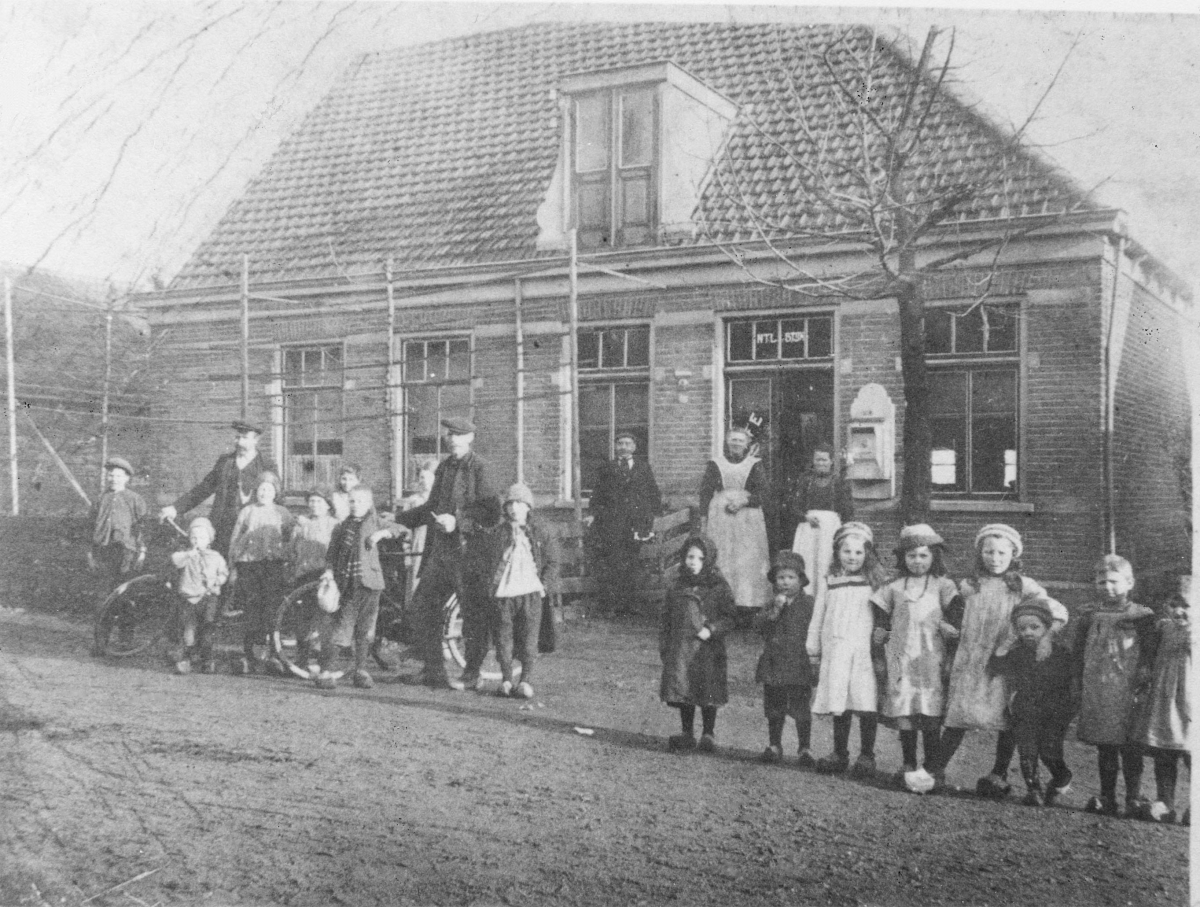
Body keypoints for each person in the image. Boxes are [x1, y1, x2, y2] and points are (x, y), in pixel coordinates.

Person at [933, 524, 1068, 797]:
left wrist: (1045, 637)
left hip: (1006, 659)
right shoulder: (970, 585)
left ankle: (999, 773)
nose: (994, 558)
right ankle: (935, 770)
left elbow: (1056, 611)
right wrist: (950, 629)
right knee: (960, 712)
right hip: (972, 659)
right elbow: (960, 616)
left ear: (1013, 555)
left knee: (1007, 715)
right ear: (980, 553)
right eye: (989, 552)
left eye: (1001, 553)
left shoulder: (1022, 585)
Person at [395, 418, 501, 690]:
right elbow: (431, 508)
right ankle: (433, 671)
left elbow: (491, 511)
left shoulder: (481, 468)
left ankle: (472, 673)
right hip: (441, 553)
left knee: (473, 615)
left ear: (470, 438)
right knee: (423, 608)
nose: (452, 439)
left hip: (470, 554)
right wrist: (397, 520)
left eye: (459, 435)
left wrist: (458, 520)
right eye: (449, 435)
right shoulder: (444, 467)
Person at [870, 524, 960, 792]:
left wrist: (950, 626)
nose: (917, 561)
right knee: (906, 710)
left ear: (933, 556)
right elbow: (882, 618)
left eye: (923, 555)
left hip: (931, 653)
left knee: (929, 710)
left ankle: (932, 768)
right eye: (911, 556)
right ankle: (908, 764)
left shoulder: (943, 585)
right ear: (903, 558)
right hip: (901, 653)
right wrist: (880, 634)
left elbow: (956, 615)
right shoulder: (894, 586)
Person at [1075, 555, 1156, 817]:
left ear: (1129, 582)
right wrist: (1077, 678)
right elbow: (1079, 650)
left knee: (1130, 744)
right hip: (1099, 686)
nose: (1107, 587)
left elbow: (1150, 650)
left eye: (1114, 581)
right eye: (1102, 582)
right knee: (1106, 744)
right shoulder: (1090, 615)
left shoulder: (1141, 616)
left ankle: (1134, 797)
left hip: (1128, 686)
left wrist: (1145, 672)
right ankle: (1107, 796)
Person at [808, 522, 888, 777]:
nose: (852, 557)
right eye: (847, 551)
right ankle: (839, 753)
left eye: (858, 552)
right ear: (837, 552)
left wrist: (883, 636)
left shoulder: (875, 582)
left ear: (868, 554)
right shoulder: (829, 581)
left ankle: (867, 755)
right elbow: (818, 616)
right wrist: (813, 649)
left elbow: (885, 615)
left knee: (866, 701)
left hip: (864, 651)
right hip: (837, 649)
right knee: (840, 700)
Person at [986, 597, 1075, 807]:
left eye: (1034, 627)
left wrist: (1066, 709)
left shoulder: (1060, 652)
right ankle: (1033, 790)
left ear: (1046, 627)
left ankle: (1062, 776)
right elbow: (996, 667)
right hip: (1025, 709)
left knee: (1049, 751)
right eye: (1022, 628)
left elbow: (1069, 682)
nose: (1028, 632)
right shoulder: (1018, 653)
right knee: (1027, 750)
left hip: (1054, 711)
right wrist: (1005, 645)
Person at [314, 486, 406, 690]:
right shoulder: (341, 527)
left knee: (365, 631)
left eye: (361, 501)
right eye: (352, 501)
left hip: (372, 585)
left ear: (369, 503)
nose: (356, 505)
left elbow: (401, 529)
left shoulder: (375, 522)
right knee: (343, 629)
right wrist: (328, 571)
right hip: (349, 586)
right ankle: (325, 671)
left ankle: (361, 671)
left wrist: (381, 534)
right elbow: (331, 555)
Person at [476, 483, 559, 699]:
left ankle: (525, 680)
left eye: (519, 503)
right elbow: (487, 561)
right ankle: (506, 679)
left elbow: (552, 562)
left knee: (529, 638)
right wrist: (490, 585)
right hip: (504, 594)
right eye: (510, 504)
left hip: (530, 593)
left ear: (528, 507)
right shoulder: (498, 533)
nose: (514, 508)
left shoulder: (540, 532)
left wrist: (544, 586)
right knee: (503, 638)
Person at [659, 534, 737, 753]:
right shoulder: (677, 585)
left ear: (709, 560)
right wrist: (665, 646)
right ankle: (687, 732)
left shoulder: (718, 586)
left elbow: (730, 618)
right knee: (684, 689)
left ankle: (708, 733)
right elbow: (666, 618)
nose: (694, 562)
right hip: (682, 648)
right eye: (690, 557)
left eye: (700, 558)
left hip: (707, 649)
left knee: (708, 689)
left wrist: (711, 629)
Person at [159, 420, 278, 560]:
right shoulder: (225, 461)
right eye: (237, 437)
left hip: (251, 530)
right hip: (222, 527)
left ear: (256, 440)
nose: (239, 442)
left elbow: (277, 499)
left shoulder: (266, 465)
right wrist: (176, 508)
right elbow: (204, 488)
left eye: (244, 438)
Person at [698, 426, 771, 616]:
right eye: (733, 440)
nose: (736, 444)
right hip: (721, 518)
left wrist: (744, 501)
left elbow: (764, 493)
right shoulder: (716, 463)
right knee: (723, 556)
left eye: (740, 440)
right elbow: (705, 492)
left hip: (747, 518)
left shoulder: (755, 464)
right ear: (727, 442)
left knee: (747, 558)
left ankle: (747, 603)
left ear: (747, 444)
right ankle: (722, 603)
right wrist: (703, 520)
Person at [228, 471, 295, 675]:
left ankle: (273, 655)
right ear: (256, 491)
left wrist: (287, 558)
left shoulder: (283, 513)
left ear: (275, 492)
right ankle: (250, 655)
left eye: (269, 489)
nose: (264, 493)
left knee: (272, 609)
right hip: (249, 565)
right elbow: (235, 539)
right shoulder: (247, 511)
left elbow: (291, 539)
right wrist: (232, 564)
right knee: (252, 609)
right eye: (261, 489)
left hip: (273, 566)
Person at [1135, 577, 1191, 823]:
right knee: (1164, 752)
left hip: (1191, 703)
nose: (1178, 611)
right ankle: (1165, 802)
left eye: (1186, 605)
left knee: (1191, 753)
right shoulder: (1165, 628)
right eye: (1173, 605)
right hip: (1166, 702)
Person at [588, 430, 662, 615]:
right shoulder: (607, 468)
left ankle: (630, 605)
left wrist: (653, 516)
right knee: (613, 563)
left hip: (635, 524)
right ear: (615, 447)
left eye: (628, 444)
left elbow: (652, 492)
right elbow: (597, 495)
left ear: (634, 447)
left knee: (633, 563)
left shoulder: (643, 468)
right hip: (612, 524)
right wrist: (593, 514)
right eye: (620, 443)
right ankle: (612, 606)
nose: (624, 447)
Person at [755, 550, 817, 767]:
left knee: (801, 707)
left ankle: (804, 747)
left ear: (801, 580)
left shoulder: (809, 604)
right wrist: (774, 611)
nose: (785, 582)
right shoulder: (771, 604)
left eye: (791, 577)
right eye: (781, 577)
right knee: (774, 706)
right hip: (775, 662)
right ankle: (774, 745)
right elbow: (758, 627)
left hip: (799, 663)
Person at [787, 445, 854, 602]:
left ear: (831, 461)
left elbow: (847, 510)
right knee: (808, 562)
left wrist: (845, 533)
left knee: (826, 561)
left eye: (824, 460)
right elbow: (793, 506)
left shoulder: (839, 482)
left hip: (830, 529)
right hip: (808, 529)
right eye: (818, 460)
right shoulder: (805, 481)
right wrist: (805, 517)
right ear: (813, 461)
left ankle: (826, 599)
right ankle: (806, 599)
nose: (821, 463)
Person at [168, 516, 229, 675]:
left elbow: (223, 573)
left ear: (209, 539)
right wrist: (189, 554)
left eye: (202, 538)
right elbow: (176, 560)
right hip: (189, 598)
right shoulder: (186, 555)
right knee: (188, 630)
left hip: (208, 598)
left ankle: (207, 660)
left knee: (207, 629)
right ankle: (186, 659)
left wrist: (217, 582)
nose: (197, 541)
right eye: (194, 537)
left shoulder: (215, 556)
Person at [88, 456, 148, 588]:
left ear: (126, 478)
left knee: (124, 587)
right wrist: (90, 554)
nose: (114, 479)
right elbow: (90, 527)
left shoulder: (135, 499)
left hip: (126, 551)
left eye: (119, 476)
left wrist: (142, 553)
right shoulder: (100, 499)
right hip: (103, 550)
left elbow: (142, 528)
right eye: (111, 475)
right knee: (103, 587)